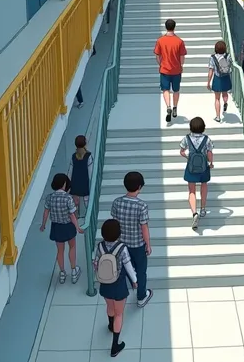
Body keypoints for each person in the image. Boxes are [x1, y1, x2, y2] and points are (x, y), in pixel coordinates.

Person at [94, 218, 137, 358]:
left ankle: (110, 325)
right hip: (118, 284)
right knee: (119, 313)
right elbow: (128, 265)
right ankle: (115, 346)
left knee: (110, 307)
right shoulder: (122, 248)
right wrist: (135, 281)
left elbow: (95, 263)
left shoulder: (99, 246)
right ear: (118, 233)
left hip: (104, 283)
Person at [111, 172, 153, 308]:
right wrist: (148, 244)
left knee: (124, 268)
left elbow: (114, 223)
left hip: (121, 244)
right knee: (141, 270)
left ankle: (126, 289)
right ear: (139, 186)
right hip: (138, 245)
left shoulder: (117, 202)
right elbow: (144, 227)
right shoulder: (142, 205)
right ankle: (141, 296)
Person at [40, 173, 83, 284]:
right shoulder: (68, 198)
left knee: (60, 250)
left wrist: (43, 224)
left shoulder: (49, 197)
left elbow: (46, 212)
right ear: (64, 184)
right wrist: (77, 227)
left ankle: (62, 272)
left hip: (56, 226)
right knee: (72, 247)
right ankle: (74, 270)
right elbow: (72, 215)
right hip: (68, 226)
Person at [179, 117, 214, 230]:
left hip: (191, 167)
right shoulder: (207, 139)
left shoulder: (187, 138)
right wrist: (211, 163)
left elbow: (182, 151)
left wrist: (188, 157)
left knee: (191, 190)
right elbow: (209, 153)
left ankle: (194, 213)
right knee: (204, 185)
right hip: (203, 167)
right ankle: (203, 209)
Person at [154, 19, 187, 123]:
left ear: (166, 27)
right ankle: (175, 107)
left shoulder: (160, 41)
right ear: (174, 27)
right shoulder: (179, 41)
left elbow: (157, 55)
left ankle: (168, 106)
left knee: (165, 90)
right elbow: (182, 57)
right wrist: (181, 65)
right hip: (176, 70)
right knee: (176, 90)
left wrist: (161, 64)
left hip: (164, 69)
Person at [207, 40, 233, 122]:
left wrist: (208, 82)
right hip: (226, 77)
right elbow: (230, 65)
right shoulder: (228, 56)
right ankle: (225, 102)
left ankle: (218, 117)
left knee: (217, 98)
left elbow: (211, 71)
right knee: (225, 93)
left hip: (217, 79)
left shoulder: (213, 58)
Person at [68, 134, 93, 214]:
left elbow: (70, 172)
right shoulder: (88, 156)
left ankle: (75, 219)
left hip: (75, 181)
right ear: (85, 143)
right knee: (87, 200)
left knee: (75, 202)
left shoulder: (73, 156)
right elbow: (90, 172)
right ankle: (89, 214)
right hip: (84, 180)